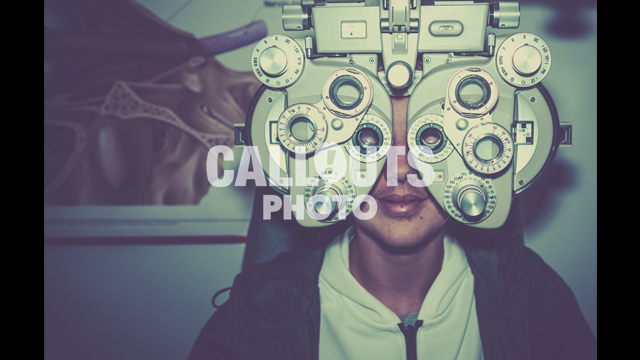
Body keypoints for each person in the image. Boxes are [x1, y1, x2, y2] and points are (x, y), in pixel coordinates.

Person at [186, 94, 597, 359]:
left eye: (431, 140)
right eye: (368, 139)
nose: (401, 170)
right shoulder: (259, 315)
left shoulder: (530, 295)